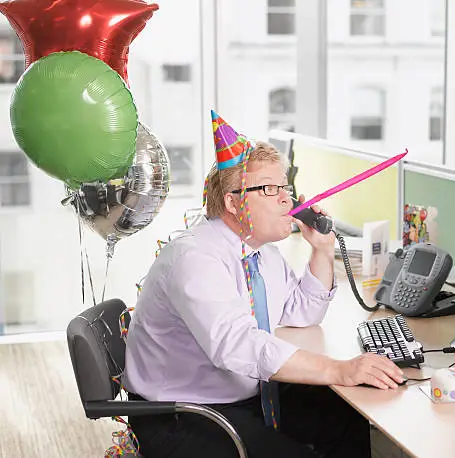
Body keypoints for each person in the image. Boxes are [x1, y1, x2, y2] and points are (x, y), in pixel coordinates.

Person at [123, 111, 407, 458]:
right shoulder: (196, 258)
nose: (287, 200)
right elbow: (236, 346)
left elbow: (302, 311)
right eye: (270, 189)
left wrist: (322, 250)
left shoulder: (259, 253)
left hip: (245, 395)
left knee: (344, 418)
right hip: (186, 414)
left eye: (285, 187)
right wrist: (339, 369)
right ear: (233, 201)